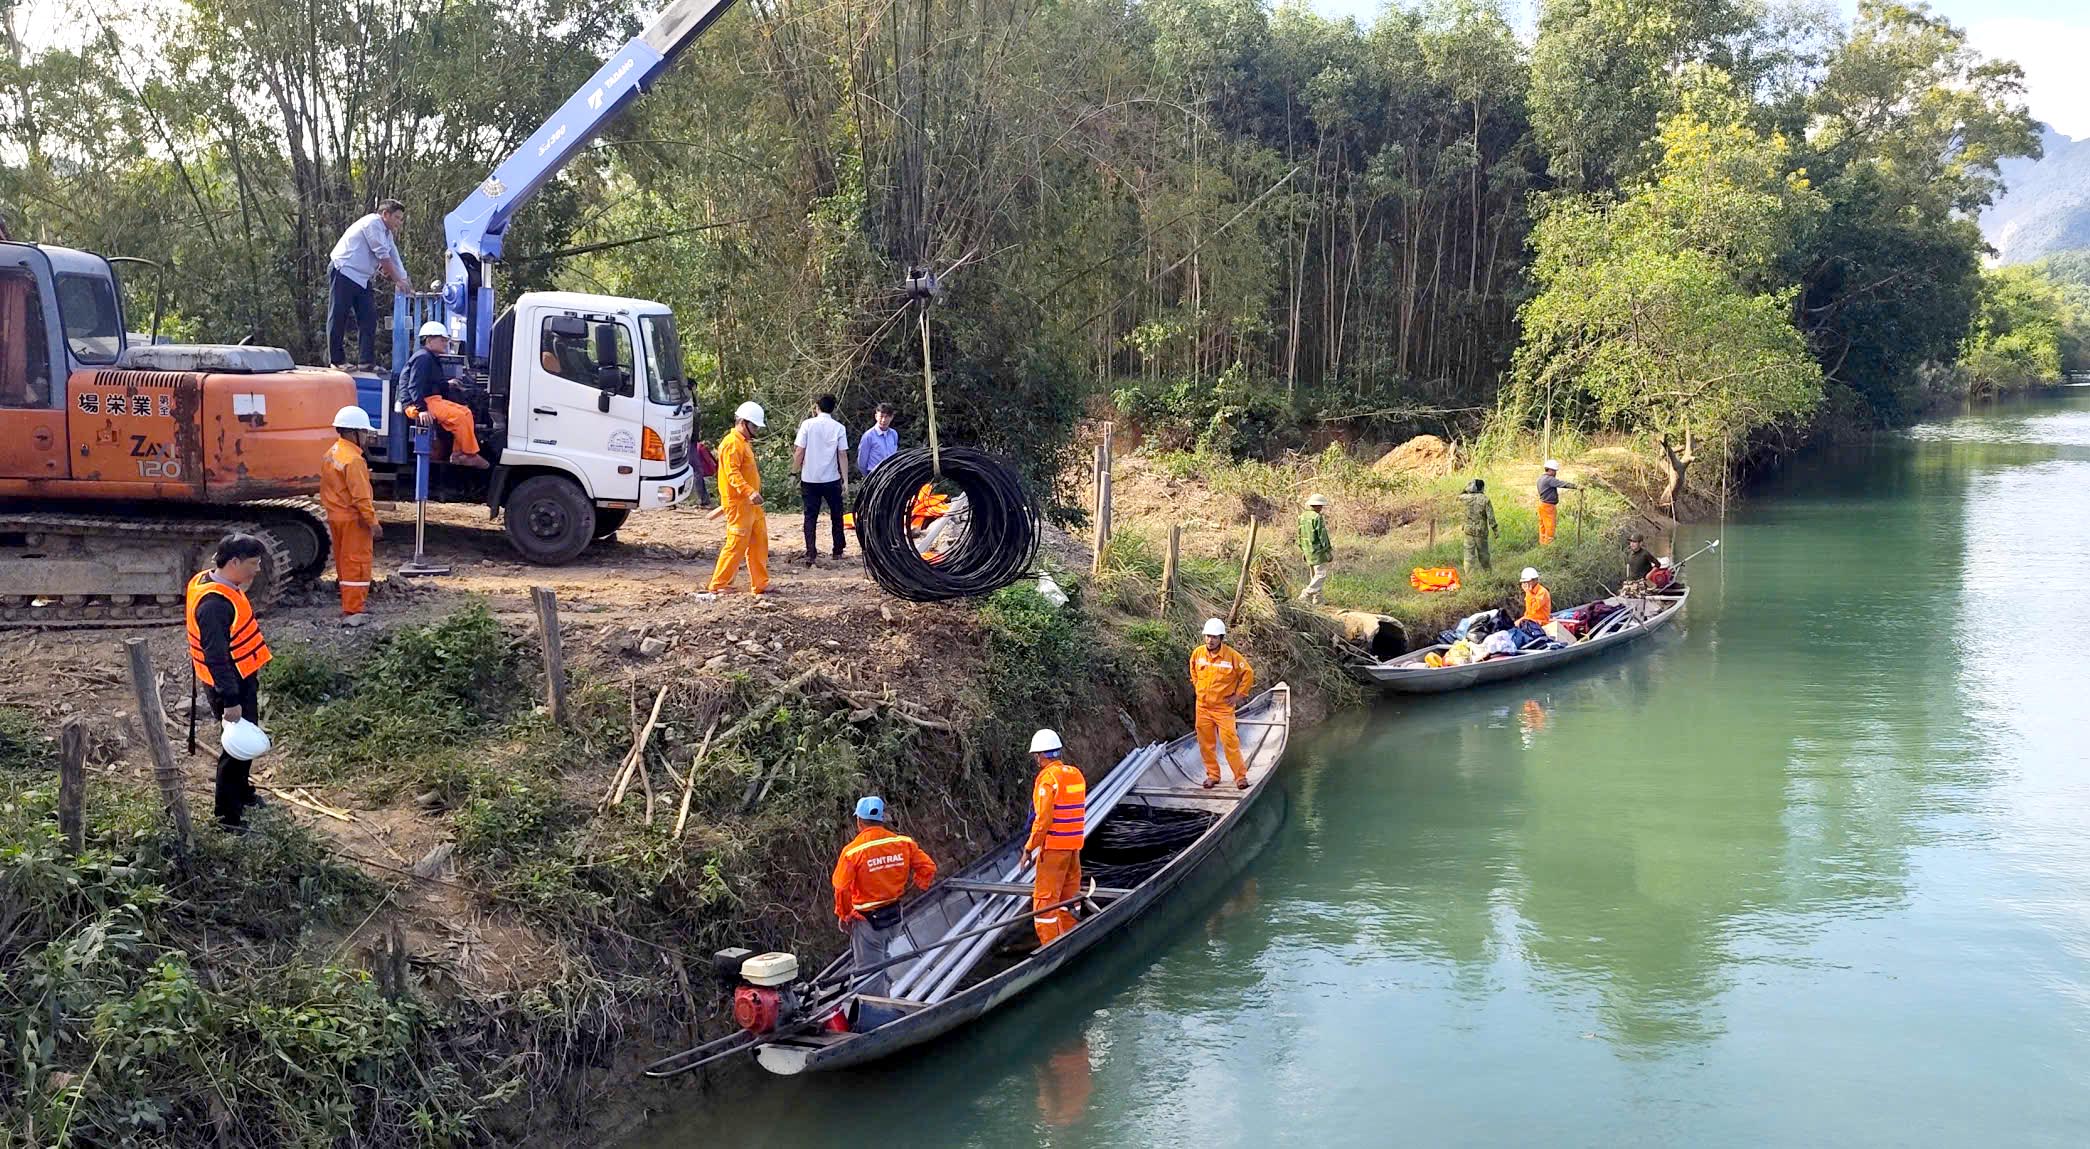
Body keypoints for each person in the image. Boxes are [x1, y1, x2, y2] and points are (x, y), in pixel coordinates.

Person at [185, 535, 274, 828]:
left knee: (243, 744)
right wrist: (231, 699)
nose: (257, 570)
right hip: (230, 684)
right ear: (234, 562)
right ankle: (227, 817)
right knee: (236, 749)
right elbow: (217, 656)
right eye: (253, 563)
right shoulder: (214, 604)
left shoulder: (210, 581)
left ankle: (243, 794)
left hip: (239, 678)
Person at [830, 795, 937, 994]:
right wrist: (918, 886)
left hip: (868, 922)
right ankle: (885, 987)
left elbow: (841, 888)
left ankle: (879, 1012)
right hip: (895, 917)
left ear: (859, 821)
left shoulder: (853, 852)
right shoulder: (903, 843)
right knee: (882, 954)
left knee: (868, 973)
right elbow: (928, 868)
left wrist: (844, 915)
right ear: (881, 819)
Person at [326, 199, 409, 369]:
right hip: (344, 270)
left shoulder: (387, 234)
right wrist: (397, 280)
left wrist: (405, 279)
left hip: (362, 278)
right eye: (397, 218)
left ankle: (366, 362)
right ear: (385, 214)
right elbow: (383, 255)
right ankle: (336, 360)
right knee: (338, 315)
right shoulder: (373, 223)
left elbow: (394, 256)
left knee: (369, 318)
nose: (399, 223)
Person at [320, 406, 383, 625]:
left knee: (344, 562)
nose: (366, 436)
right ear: (353, 432)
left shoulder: (333, 452)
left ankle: (349, 605)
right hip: (353, 519)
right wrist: (373, 522)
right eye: (364, 432)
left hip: (336, 516)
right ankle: (354, 609)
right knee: (357, 563)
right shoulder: (354, 460)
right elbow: (361, 498)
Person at [701, 401, 771, 597]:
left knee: (759, 541)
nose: (756, 430)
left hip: (750, 505)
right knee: (736, 544)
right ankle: (719, 583)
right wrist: (749, 491)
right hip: (739, 504)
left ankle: (760, 583)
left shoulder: (742, 443)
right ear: (742, 422)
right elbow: (732, 474)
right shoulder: (732, 443)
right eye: (754, 426)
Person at [1024, 728, 1087, 947]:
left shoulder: (1048, 780)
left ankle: (1050, 945)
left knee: (1044, 901)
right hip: (1074, 846)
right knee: (1069, 895)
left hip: (1054, 848)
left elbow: (1043, 820)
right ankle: (1070, 935)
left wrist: (1029, 847)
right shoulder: (1075, 773)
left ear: (1040, 755)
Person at [399, 321, 489, 468]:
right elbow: (414, 386)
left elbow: (431, 383)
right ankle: (469, 454)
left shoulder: (430, 358)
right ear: (429, 340)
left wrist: (448, 384)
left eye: (446, 340)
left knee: (466, 412)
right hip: (423, 403)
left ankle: (458, 453)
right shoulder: (423, 358)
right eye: (442, 340)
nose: (445, 343)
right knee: (459, 417)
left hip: (432, 400)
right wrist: (422, 410)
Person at [1190, 617, 1256, 790]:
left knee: (1230, 742)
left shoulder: (1232, 656)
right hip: (1203, 707)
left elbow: (1248, 674)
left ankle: (1240, 777)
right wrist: (1197, 686)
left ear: (1221, 638)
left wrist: (1238, 695)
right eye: (1207, 636)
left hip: (1223, 708)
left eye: (1214, 637)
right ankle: (1213, 775)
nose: (1210, 640)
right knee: (1206, 743)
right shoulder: (1198, 653)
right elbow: (1193, 669)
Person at [793, 394, 850, 564]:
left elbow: (799, 451)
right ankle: (837, 550)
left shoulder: (807, 425)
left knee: (810, 516)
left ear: (816, 407)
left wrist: (793, 473)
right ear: (833, 408)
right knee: (836, 514)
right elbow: (842, 454)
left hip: (810, 478)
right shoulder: (839, 428)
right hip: (831, 478)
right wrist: (845, 479)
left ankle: (811, 552)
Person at [1296, 493, 1332, 604]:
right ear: (1316, 506)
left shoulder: (1302, 516)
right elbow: (1322, 535)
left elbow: (1299, 534)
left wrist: (1302, 549)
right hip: (1318, 550)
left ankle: (1317, 599)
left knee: (1314, 575)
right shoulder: (1317, 517)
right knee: (1321, 575)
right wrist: (1328, 550)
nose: (1321, 508)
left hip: (1307, 549)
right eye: (1320, 506)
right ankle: (1305, 594)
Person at [1460, 478, 1498, 572]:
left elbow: (1461, 493)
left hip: (1468, 530)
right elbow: (1491, 517)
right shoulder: (1485, 499)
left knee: (1468, 555)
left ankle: (1469, 576)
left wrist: (1467, 489)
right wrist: (1495, 530)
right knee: (1483, 554)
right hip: (1481, 531)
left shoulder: (1464, 498)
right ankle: (1487, 572)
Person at [1536, 460, 1577, 546]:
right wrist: (1576, 486)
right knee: (1550, 527)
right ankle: (1549, 547)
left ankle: (1542, 544)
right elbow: (1562, 484)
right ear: (1550, 470)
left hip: (1541, 504)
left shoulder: (1540, 478)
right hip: (1548, 507)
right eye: (1554, 471)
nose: (1555, 473)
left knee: (1542, 526)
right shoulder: (1549, 479)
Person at [858, 402, 899, 475]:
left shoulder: (893, 434)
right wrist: (868, 477)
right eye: (881, 416)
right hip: (874, 474)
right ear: (876, 416)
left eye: (886, 417)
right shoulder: (868, 436)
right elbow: (862, 461)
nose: (883, 420)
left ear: (891, 417)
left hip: (891, 473)